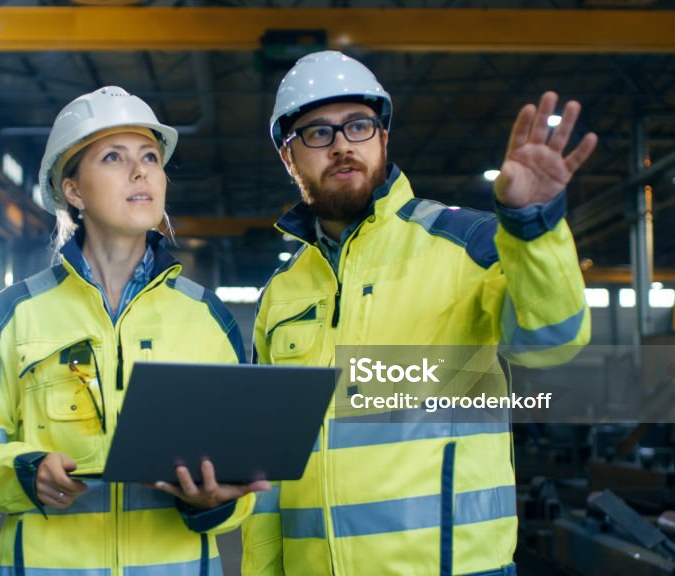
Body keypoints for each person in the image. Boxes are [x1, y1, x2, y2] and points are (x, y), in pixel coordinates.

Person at [242, 51, 597, 575]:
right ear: (289, 158)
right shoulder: (282, 293)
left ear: (383, 139)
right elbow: (267, 463)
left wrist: (532, 226)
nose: (341, 145)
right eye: (317, 133)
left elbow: (554, 342)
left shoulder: (468, 244)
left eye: (357, 126)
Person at [0, 86, 269, 575]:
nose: (139, 172)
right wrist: (25, 472)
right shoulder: (10, 314)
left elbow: (238, 470)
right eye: (113, 157)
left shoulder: (207, 318)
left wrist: (215, 500)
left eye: (150, 157)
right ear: (73, 190)